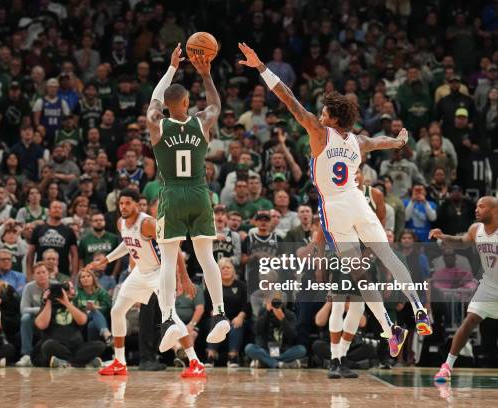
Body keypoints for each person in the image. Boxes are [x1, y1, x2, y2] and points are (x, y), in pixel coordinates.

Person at [237, 43, 431, 360]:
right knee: (388, 255)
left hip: (335, 208)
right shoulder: (357, 140)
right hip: (358, 201)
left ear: (331, 117)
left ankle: (388, 327)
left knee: (358, 274)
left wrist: (261, 68)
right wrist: (398, 141)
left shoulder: (318, 131)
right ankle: (418, 307)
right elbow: (379, 142)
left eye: (325, 111)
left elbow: (289, 99)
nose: (321, 113)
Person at [146, 44, 228, 350]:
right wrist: (206, 75)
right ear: (188, 102)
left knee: (168, 260)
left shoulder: (157, 122)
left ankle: (168, 318)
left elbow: (154, 98)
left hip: (171, 193)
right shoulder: (201, 122)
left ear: (168, 105)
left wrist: (171, 68)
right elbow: (216, 105)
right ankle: (219, 314)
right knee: (207, 257)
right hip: (198, 192)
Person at [87, 188, 204, 378]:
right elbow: (127, 242)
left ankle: (195, 362)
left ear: (136, 204)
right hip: (140, 272)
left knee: (170, 316)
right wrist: (106, 260)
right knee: (117, 311)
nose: (123, 207)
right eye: (121, 203)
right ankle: (119, 362)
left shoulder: (148, 224)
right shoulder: (120, 222)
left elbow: (173, 245)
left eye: (127, 203)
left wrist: (183, 277)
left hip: (159, 273)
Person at [431, 196, 498, 382]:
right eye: (476, 206)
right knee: (469, 321)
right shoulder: (476, 229)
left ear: (493, 211)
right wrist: (443, 236)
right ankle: (447, 367)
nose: (476, 210)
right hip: (490, 284)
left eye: (481, 207)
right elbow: (461, 242)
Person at [244, 294, 307, 369]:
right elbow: (257, 331)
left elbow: (293, 335)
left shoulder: (290, 314)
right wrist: (267, 313)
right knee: (249, 348)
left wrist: (283, 319)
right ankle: (279, 364)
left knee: (301, 350)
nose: (276, 304)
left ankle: (265, 362)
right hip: (265, 349)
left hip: (283, 350)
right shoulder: (263, 311)